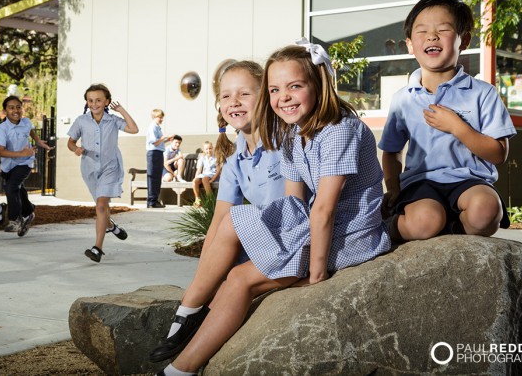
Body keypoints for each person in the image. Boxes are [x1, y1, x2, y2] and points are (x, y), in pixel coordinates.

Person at [153, 41, 390, 375]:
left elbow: (323, 209)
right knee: (236, 228)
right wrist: (276, 244)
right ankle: (190, 318)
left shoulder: (339, 130)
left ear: (319, 84)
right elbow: (293, 205)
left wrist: (315, 276)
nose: (284, 96)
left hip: (350, 235)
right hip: (318, 229)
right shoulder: (296, 135)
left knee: (239, 279)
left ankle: (180, 369)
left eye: (295, 86)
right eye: (276, 89)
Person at [149, 59, 286, 364]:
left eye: (244, 94)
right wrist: (203, 283)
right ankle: (189, 318)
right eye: (226, 96)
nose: (234, 102)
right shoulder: (237, 159)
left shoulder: (284, 141)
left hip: (291, 240)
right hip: (266, 242)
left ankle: (185, 322)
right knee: (221, 278)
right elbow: (218, 224)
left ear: (265, 96)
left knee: (236, 252)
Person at [379, 0, 516, 243]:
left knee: (486, 211)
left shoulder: (482, 92)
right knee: (424, 222)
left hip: (471, 181)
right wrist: (393, 187)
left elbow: (499, 154)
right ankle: (384, 230)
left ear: (463, 40)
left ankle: (452, 230)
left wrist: (458, 127)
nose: (432, 36)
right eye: (422, 31)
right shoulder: (404, 98)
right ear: (410, 44)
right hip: (421, 183)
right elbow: (391, 151)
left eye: (443, 29)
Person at [67, 84, 139, 263]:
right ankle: (111, 226)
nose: (94, 104)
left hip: (110, 168)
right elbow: (70, 142)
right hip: (89, 169)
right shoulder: (81, 121)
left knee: (100, 206)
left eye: (98, 100)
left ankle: (97, 249)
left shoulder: (113, 120)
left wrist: (121, 109)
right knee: (102, 207)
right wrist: (75, 149)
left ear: (106, 101)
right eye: (90, 100)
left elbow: (134, 129)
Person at [0, 95, 51, 237]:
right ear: (5, 110)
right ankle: (28, 211)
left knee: (11, 187)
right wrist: (21, 152)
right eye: (11, 108)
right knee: (18, 189)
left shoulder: (25, 122)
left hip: (25, 162)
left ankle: (14, 220)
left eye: (18, 107)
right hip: (9, 164)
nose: (16, 110)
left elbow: (29, 129)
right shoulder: (2, 128)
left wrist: (37, 140)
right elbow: (0, 152)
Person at [146, 109, 174, 208]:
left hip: (158, 152)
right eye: (160, 117)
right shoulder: (153, 127)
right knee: (153, 177)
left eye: (162, 117)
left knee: (157, 177)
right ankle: (152, 202)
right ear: (154, 117)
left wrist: (166, 140)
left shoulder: (157, 127)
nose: (161, 119)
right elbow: (154, 142)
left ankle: (154, 201)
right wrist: (164, 137)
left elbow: (159, 143)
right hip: (153, 153)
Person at [191, 141, 220, 207]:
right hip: (204, 174)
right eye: (206, 149)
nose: (208, 150)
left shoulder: (216, 157)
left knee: (204, 179)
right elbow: (199, 169)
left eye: (210, 148)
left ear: (212, 148)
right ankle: (197, 199)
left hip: (213, 174)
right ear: (204, 150)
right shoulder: (202, 157)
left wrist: (212, 179)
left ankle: (210, 199)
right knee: (195, 181)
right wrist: (196, 177)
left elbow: (218, 170)